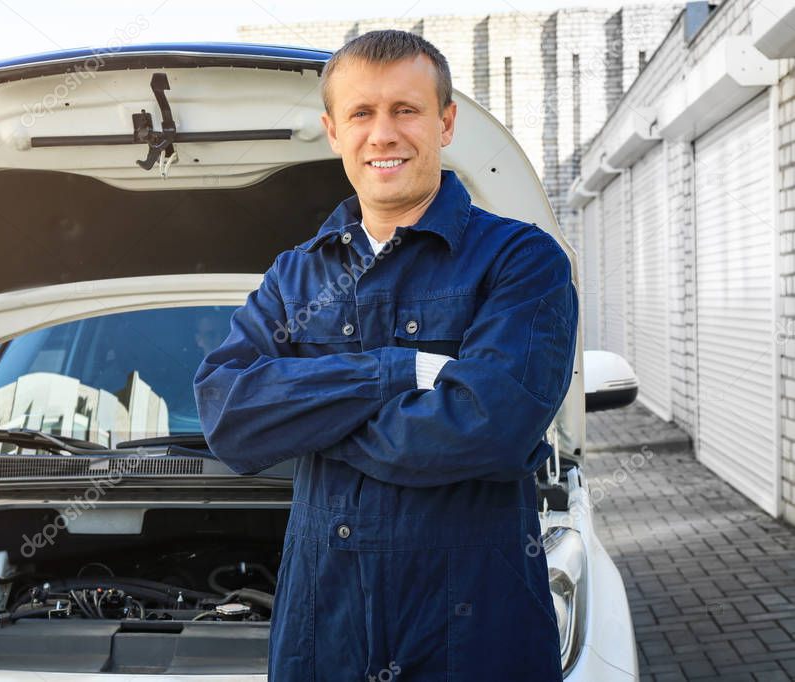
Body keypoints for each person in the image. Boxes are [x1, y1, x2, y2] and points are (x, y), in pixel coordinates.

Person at [194, 29, 576, 680]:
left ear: (445, 122)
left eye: (405, 109)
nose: (383, 133)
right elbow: (230, 419)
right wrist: (398, 370)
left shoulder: (519, 260)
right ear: (332, 130)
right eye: (361, 113)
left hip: (475, 637)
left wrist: (308, 420)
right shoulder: (294, 277)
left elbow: (487, 430)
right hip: (324, 639)